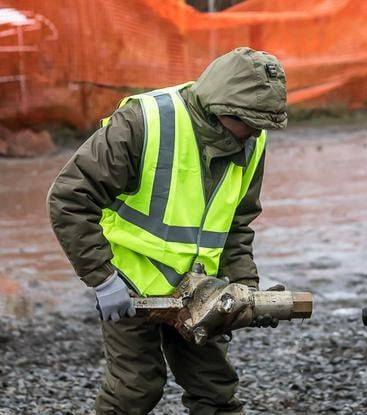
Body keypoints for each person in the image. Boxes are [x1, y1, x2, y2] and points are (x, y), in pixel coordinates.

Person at [47, 47, 287, 414]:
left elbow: (237, 225)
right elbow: (69, 198)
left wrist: (245, 292)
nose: (257, 132)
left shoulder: (252, 140)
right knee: (135, 389)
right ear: (223, 109)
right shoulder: (143, 123)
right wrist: (102, 279)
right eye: (251, 122)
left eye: (264, 124)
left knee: (215, 389)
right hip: (129, 282)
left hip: (200, 289)